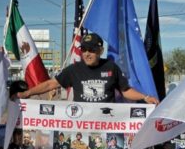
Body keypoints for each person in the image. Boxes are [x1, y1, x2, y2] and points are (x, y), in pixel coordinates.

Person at [17, 33, 159, 105]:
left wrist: (145, 97)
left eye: (91, 49)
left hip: (108, 124)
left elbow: (126, 91)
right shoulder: (74, 70)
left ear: (100, 51)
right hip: (82, 123)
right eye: (84, 49)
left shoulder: (111, 67)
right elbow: (50, 84)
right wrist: (27, 93)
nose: (86, 53)